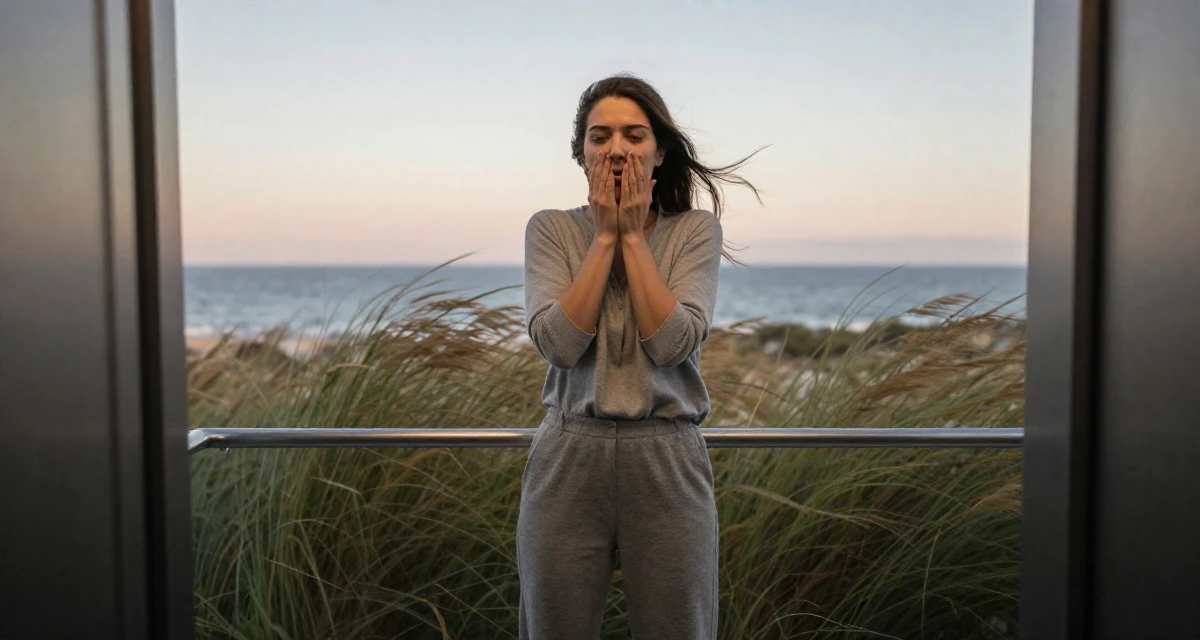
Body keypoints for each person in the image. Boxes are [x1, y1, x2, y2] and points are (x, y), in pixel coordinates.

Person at [518, 73, 765, 640]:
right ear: (581, 154)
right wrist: (604, 238)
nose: (616, 150)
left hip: (666, 458)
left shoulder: (695, 232)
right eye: (600, 137)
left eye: (633, 135)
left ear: (659, 153)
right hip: (568, 457)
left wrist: (631, 235)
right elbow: (558, 344)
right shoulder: (552, 230)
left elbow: (673, 343)